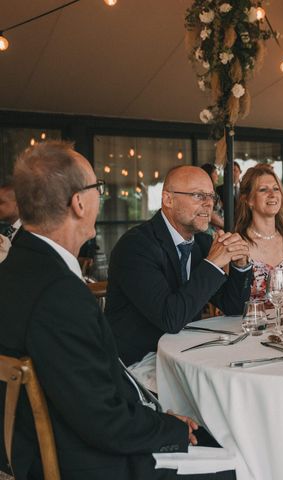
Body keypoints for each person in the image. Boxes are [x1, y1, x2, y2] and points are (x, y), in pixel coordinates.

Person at [0, 141, 233, 480]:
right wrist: (170, 429)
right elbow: (103, 419)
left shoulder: (16, 269)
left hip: (40, 447)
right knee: (239, 463)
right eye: (98, 188)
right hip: (94, 464)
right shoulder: (59, 294)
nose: (101, 197)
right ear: (79, 203)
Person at [106, 165, 252, 373]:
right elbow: (170, 318)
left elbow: (234, 307)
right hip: (138, 364)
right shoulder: (136, 246)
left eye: (211, 196)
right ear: (168, 199)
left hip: (185, 356)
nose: (209, 203)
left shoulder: (200, 242)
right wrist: (212, 264)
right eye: (198, 195)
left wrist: (241, 265)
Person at [235, 164, 283, 302]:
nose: (272, 194)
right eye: (263, 190)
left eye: (276, 189)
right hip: (251, 323)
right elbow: (232, 301)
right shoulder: (238, 243)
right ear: (249, 200)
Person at [200, 164, 225, 231]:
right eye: (215, 173)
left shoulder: (213, 191)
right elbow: (209, 212)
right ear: (209, 174)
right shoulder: (206, 192)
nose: (217, 175)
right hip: (211, 230)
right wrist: (224, 224)